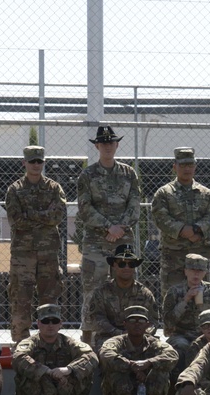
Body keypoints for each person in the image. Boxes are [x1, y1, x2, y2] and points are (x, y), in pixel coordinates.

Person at [75, 126, 141, 344]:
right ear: (97, 146)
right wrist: (107, 227)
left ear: (117, 145)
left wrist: (119, 227)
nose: (107, 146)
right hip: (96, 243)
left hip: (123, 242)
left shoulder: (129, 174)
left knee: (126, 288)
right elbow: (85, 208)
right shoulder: (87, 175)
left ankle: (127, 339)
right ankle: (89, 345)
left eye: (111, 143)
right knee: (92, 291)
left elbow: (134, 205)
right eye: (103, 143)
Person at [4, 145, 67, 343]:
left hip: (48, 255)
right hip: (23, 256)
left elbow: (58, 215)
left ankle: (47, 342)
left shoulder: (54, 188)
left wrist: (30, 214)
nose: (36, 165)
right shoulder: (15, 190)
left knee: (49, 299)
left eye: (39, 161)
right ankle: (21, 343)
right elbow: (16, 220)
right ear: (24, 163)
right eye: (32, 161)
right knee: (21, 299)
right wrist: (43, 217)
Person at [151, 147, 210, 298]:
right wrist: (182, 230)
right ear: (174, 166)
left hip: (200, 257)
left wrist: (197, 229)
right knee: (172, 300)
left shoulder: (206, 194)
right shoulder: (164, 193)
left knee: (203, 300)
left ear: (195, 166)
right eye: (183, 165)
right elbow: (160, 217)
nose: (187, 169)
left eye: (190, 165)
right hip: (174, 258)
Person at [12, 303, 98, 395]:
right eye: (46, 321)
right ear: (38, 324)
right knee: (37, 375)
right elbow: (18, 357)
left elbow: (92, 357)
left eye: (55, 321)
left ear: (60, 324)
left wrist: (69, 369)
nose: (50, 325)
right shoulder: (30, 343)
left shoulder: (68, 342)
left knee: (80, 371)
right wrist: (46, 371)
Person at [99, 305, 178, 395]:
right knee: (114, 368)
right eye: (132, 320)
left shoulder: (154, 342)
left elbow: (172, 355)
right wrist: (131, 365)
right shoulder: (116, 341)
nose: (137, 324)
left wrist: (149, 363)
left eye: (141, 320)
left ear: (147, 324)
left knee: (161, 369)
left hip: (147, 391)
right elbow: (105, 353)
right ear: (124, 323)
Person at [85, 244, 157, 351]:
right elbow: (96, 319)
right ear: (114, 265)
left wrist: (140, 333)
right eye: (122, 264)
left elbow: (153, 321)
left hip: (139, 338)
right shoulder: (101, 292)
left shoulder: (145, 294)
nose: (127, 268)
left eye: (131, 264)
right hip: (108, 338)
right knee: (106, 354)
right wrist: (120, 333)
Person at [162, 253, 210, 367]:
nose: (196, 274)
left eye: (200, 270)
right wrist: (185, 300)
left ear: (205, 273)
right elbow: (168, 322)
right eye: (192, 270)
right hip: (182, 335)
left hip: (207, 333)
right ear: (186, 271)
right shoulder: (174, 291)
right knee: (181, 347)